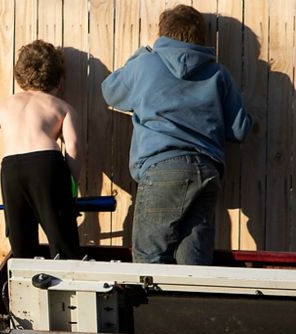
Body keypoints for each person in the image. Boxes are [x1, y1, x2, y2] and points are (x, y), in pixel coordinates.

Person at [101, 4, 251, 265]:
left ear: (162, 35)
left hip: (163, 168)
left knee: (149, 260)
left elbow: (110, 91)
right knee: (194, 266)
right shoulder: (219, 74)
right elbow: (239, 131)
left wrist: (143, 53)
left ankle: (150, 309)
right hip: (207, 169)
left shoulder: (146, 64)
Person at [0, 39, 82, 260]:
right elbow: (74, 147)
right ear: (59, 81)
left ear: (19, 77)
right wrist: (71, 191)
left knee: (22, 248)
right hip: (46, 165)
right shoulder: (62, 107)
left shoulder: (5, 105)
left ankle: (24, 287)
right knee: (63, 243)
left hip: (11, 169)